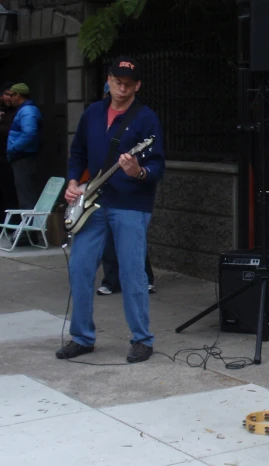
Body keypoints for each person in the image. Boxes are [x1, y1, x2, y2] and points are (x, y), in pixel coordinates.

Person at [56, 56, 165, 364]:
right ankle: (82, 337)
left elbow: (157, 165)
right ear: (108, 80)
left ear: (137, 85)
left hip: (131, 205)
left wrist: (137, 172)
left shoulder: (146, 118)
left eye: (128, 85)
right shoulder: (92, 113)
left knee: (132, 273)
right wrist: (74, 182)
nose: (121, 89)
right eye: (117, 82)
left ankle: (142, 339)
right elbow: (77, 152)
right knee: (80, 268)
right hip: (92, 202)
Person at [95, 82, 156, 296]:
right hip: (103, 186)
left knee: (133, 237)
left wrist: (137, 170)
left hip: (128, 187)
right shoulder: (98, 118)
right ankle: (112, 280)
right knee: (108, 238)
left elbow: (150, 157)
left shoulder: (139, 118)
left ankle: (144, 277)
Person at [6, 83, 42, 211]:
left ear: (18, 95)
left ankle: (30, 228)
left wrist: (13, 149)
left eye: (12, 95)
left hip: (24, 157)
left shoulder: (27, 111)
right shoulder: (25, 110)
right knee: (25, 193)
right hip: (23, 156)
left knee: (26, 195)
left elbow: (29, 133)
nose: (10, 98)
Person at [0, 82, 18, 216]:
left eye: (12, 95)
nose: (9, 98)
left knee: (11, 191)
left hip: (10, 157)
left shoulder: (18, 112)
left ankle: (13, 221)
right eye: (7, 94)